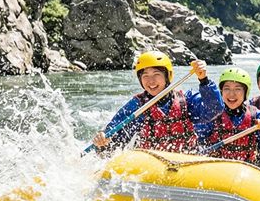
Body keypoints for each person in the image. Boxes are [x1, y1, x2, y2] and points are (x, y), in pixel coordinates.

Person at [92, 51, 221, 154]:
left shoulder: (186, 100)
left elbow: (214, 109)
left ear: (167, 76)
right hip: (152, 165)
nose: (151, 81)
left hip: (185, 161)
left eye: (156, 74)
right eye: (145, 76)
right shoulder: (137, 106)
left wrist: (204, 80)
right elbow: (116, 138)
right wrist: (104, 141)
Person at [203, 67, 260, 163]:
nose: (232, 94)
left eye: (238, 89)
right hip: (215, 168)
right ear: (221, 91)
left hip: (245, 170)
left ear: (245, 93)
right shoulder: (212, 115)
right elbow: (198, 143)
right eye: (227, 88)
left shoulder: (257, 116)